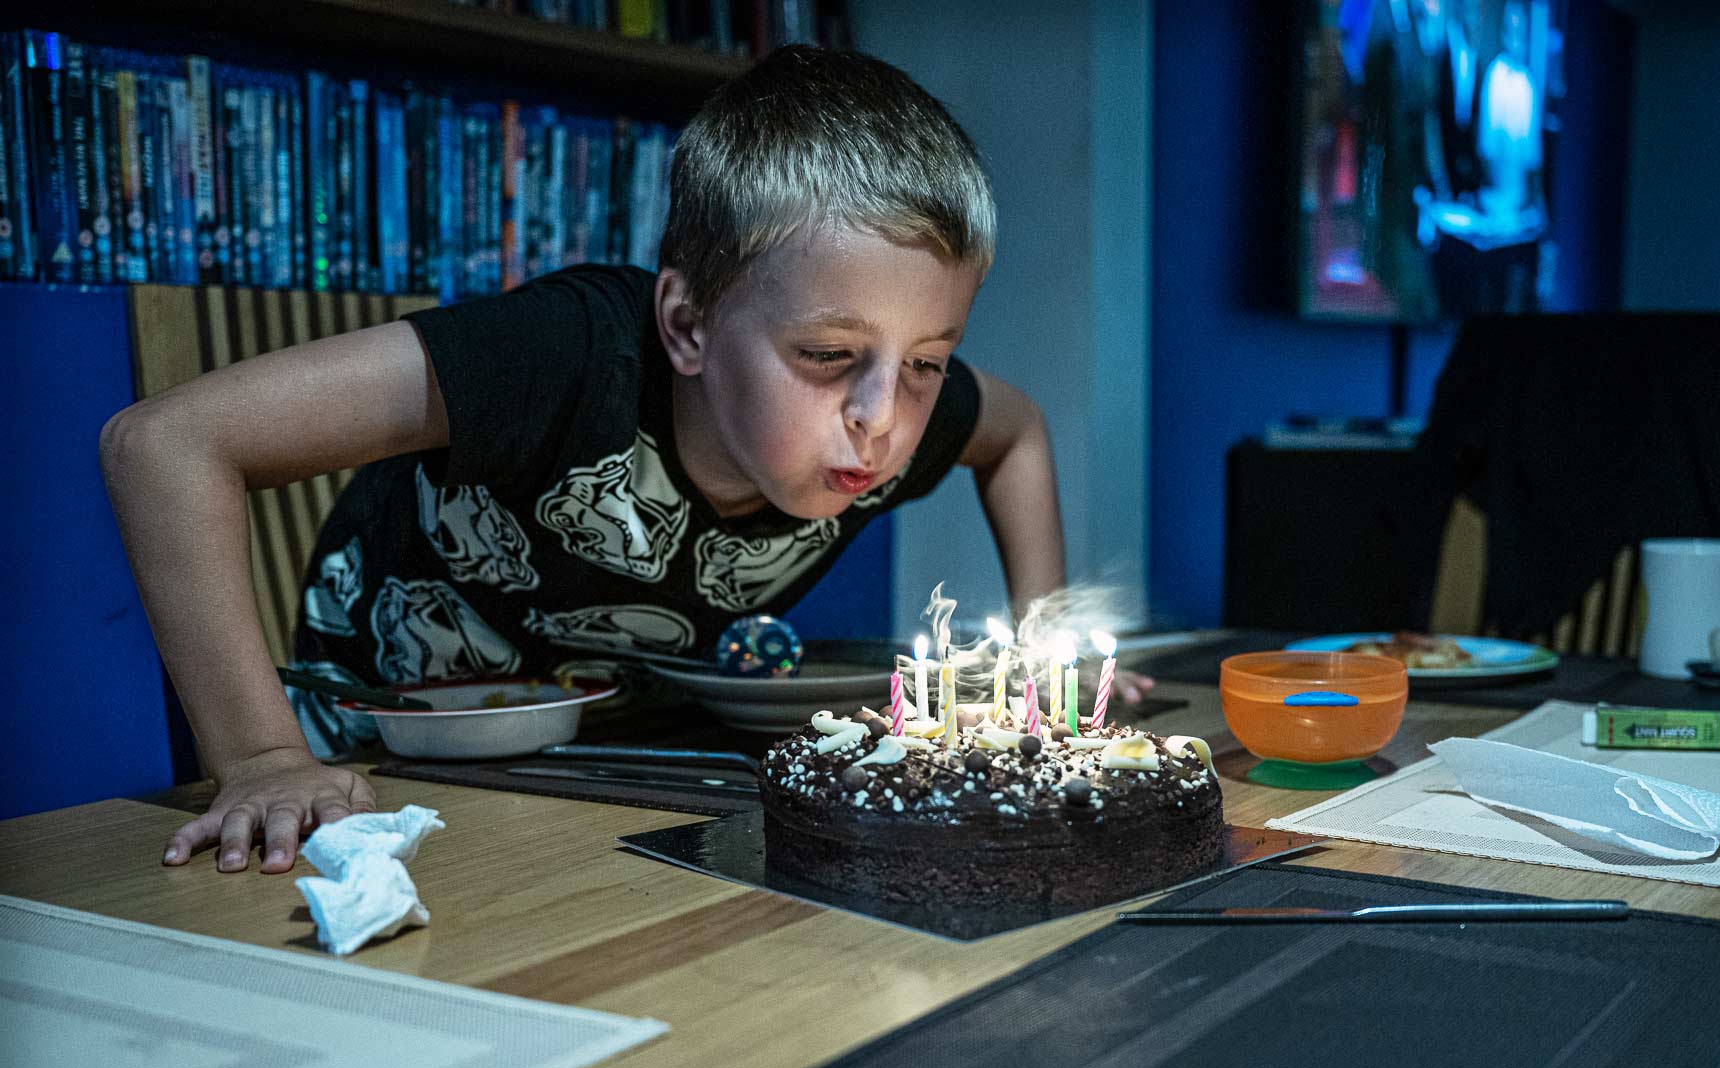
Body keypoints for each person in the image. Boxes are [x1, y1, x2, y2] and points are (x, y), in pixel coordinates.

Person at [101, 44, 1138, 875]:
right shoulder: (560, 358)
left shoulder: (893, 411)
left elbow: (1015, 433)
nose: (882, 417)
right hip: (371, 780)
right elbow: (163, 442)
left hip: (617, 771)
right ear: (686, 324)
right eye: (828, 356)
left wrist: (1043, 656)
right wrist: (263, 757)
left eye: (923, 360)